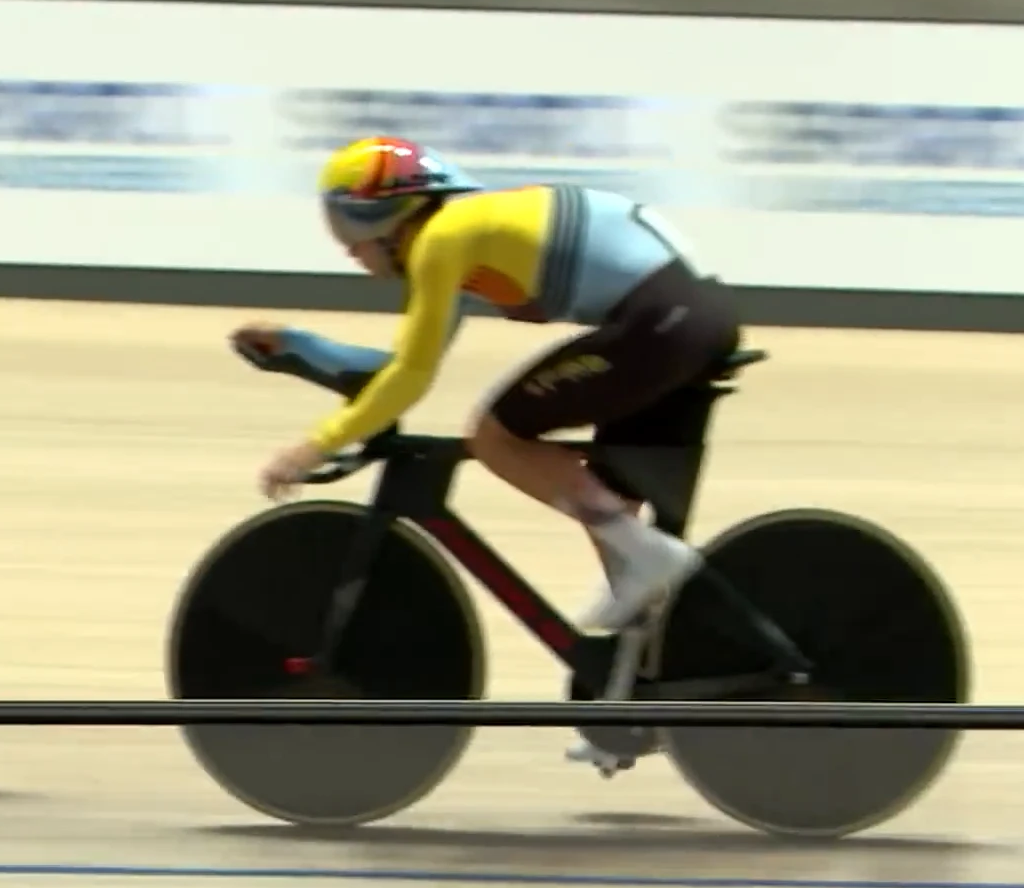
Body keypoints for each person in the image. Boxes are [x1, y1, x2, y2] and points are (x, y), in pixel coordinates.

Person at [237, 135, 744, 771]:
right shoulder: (467, 238)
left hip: (664, 322)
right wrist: (299, 345)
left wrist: (314, 447)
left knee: (496, 436)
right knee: (607, 500)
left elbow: (411, 380)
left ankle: (650, 564)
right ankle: (626, 699)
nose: (349, 250)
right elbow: (397, 369)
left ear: (391, 212)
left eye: (350, 227)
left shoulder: (446, 237)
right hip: (680, 318)